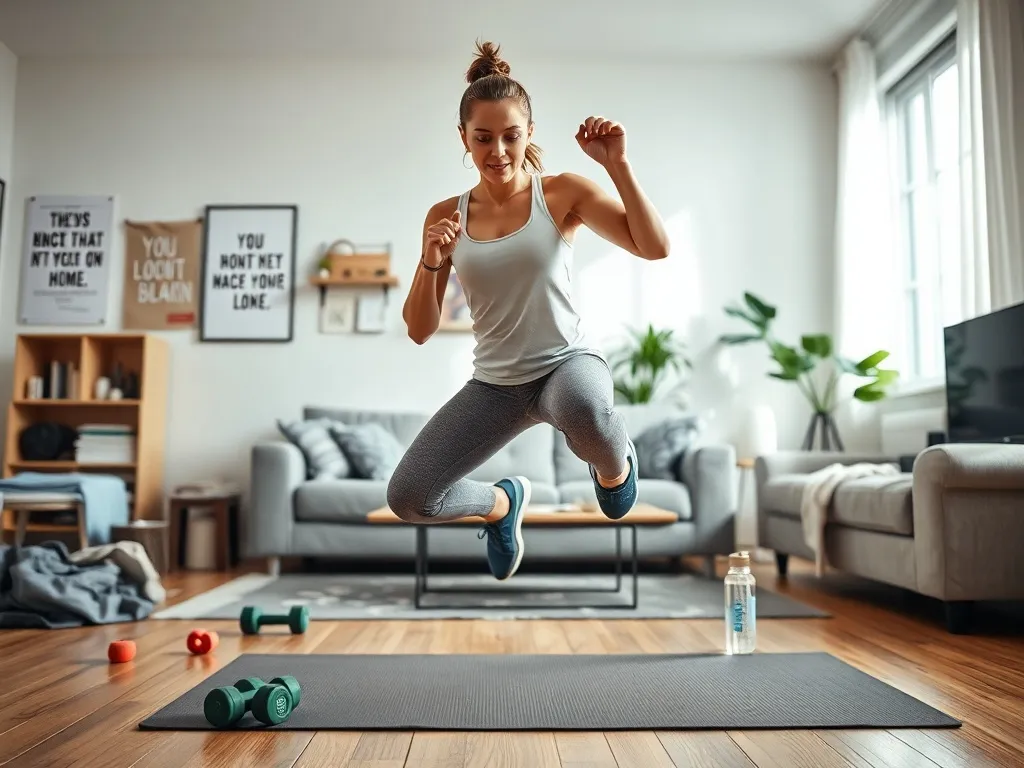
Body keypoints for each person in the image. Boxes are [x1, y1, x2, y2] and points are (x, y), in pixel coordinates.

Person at [387, 40, 670, 582]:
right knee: (409, 496)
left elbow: (654, 248)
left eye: (511, 136)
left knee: (584, 409)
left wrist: (617, 165)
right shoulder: (446, 215)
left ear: (529, 133)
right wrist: (430, 261)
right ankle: (501, 504)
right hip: (496, 386)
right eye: (483, 138)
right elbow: (419, 330)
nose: (497, 151)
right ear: (463, 138)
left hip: (566, 365)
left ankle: (615, 467)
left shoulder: (561, 194)